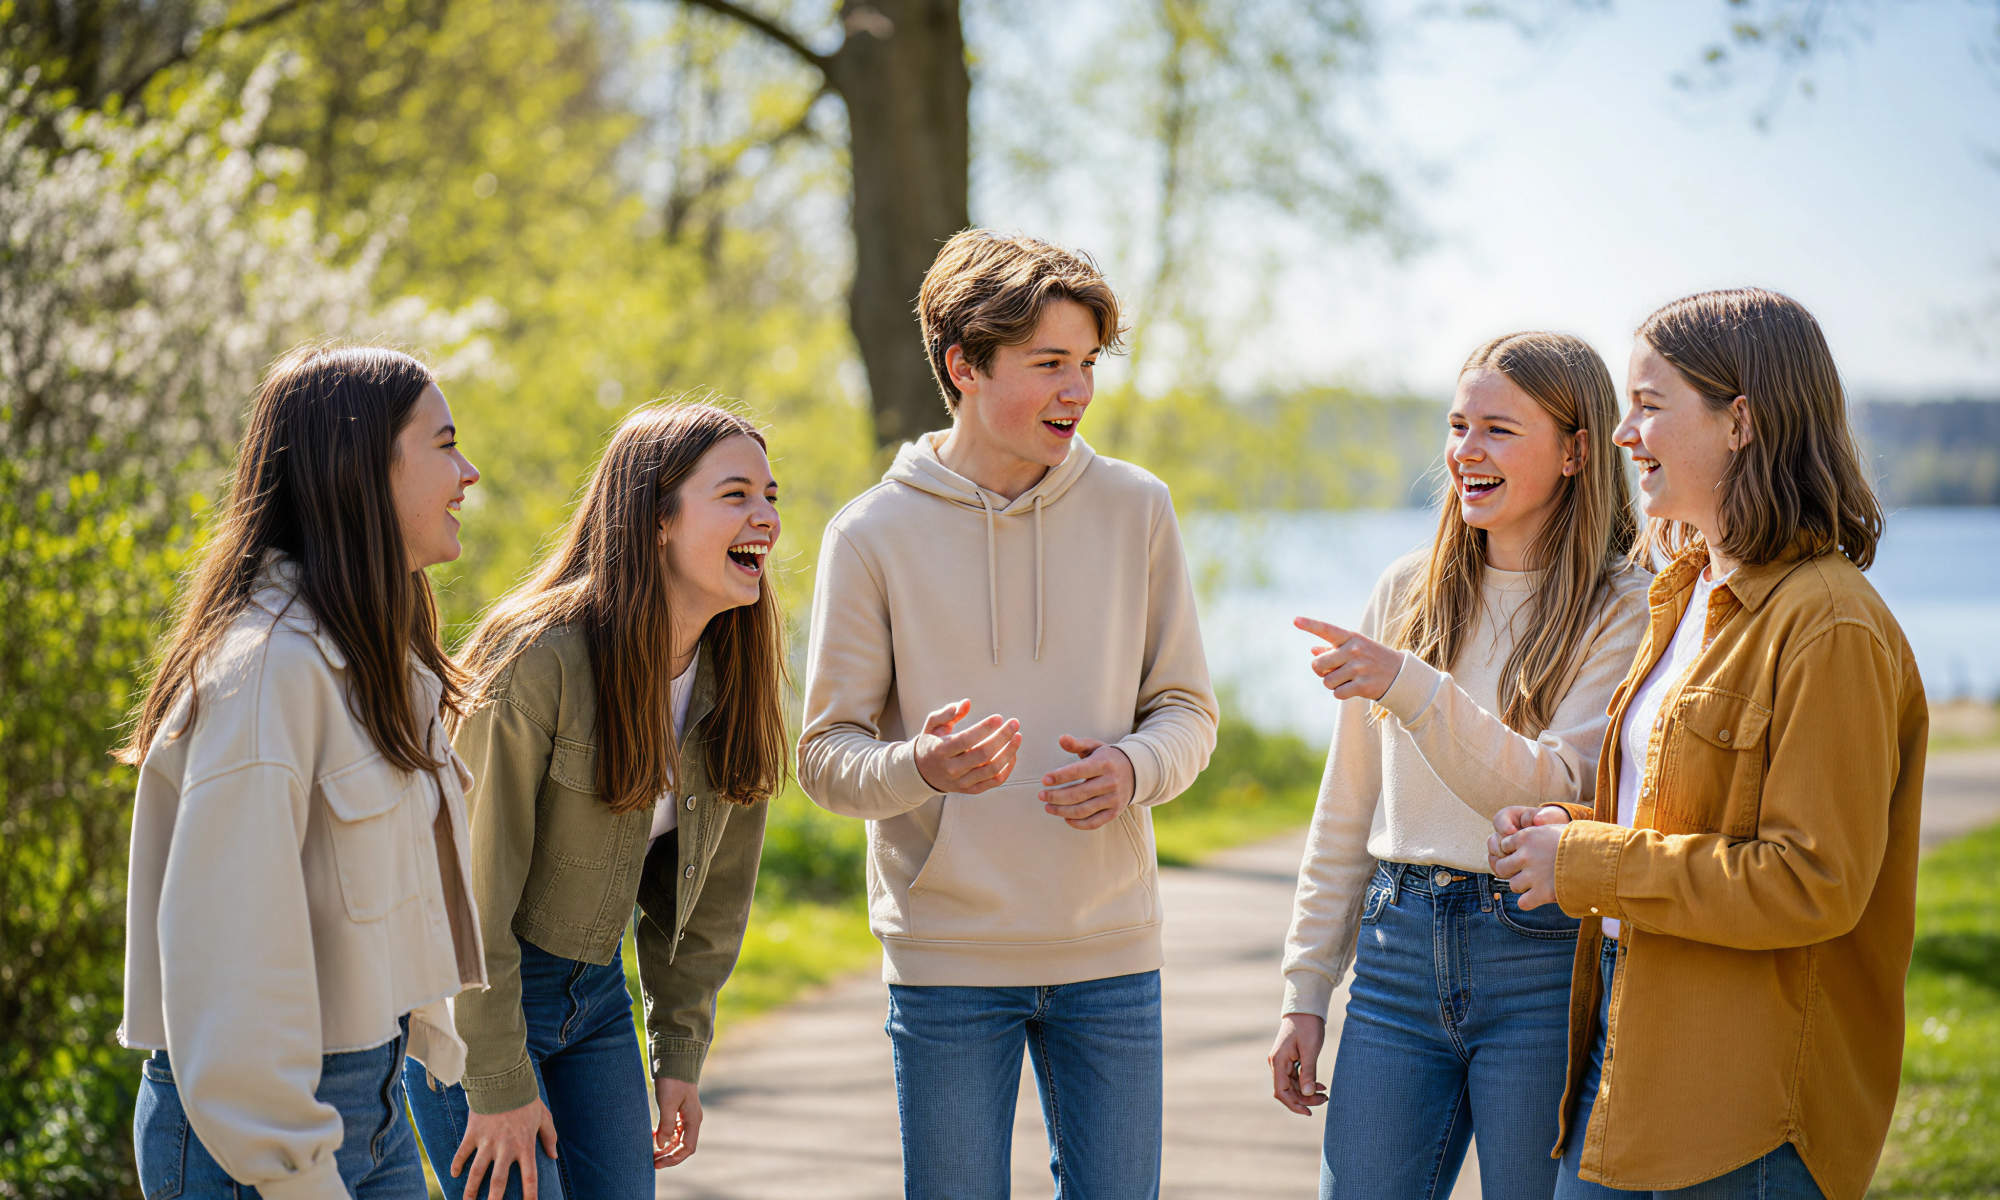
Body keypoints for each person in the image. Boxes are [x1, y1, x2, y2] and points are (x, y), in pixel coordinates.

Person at [796, 229, 1218, 1200]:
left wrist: (1131, 770)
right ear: (963, 366)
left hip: (1110, 951)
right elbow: (824, 755)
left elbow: (1186, 710)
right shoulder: (869, 534)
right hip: (946, 960)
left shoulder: (1135, 509)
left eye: (1086, 365)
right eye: (1047, 366)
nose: (1077, 391)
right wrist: (919, 768)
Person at [1488, 288, 1927, 1200]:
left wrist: (1592, 862)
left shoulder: (1829, 624)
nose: (1621, 434)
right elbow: (1688, 813)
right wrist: (1566, 830)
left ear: (1742, 423)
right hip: (1625, 1061)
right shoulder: (1685, 592)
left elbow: (1813, 882)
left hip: (1747, 1120)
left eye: (1649, 406)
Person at [1268, 332, 1650, 1200]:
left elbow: (1554, 789)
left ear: (1576, 450)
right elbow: (1346, 809)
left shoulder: (1623, 607)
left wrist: (1413, 688)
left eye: (1499, 430)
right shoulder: (1407, 591)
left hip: (1540, 956)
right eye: (1457, 425)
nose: (1465, 452)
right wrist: (1305, 990)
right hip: (1396, 952)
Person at [120, 344, 487, 1199]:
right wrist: (294, 1173)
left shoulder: (373, 657)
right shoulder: (266, 674)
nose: (467, 472)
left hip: (370, 1102)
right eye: (444, 444)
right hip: (261, 1140)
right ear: (361, 470)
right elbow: (229, 978)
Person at [404, 403, 786, 1200]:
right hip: (474, 995)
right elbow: (469, 896)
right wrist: (498, 1076)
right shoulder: (540, 657)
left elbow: (712, 899)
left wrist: (678, 1054)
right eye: (737, 495)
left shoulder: (734, 677)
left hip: (596, 1000)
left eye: (771, 496)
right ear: (655, 520)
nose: (767, 518)